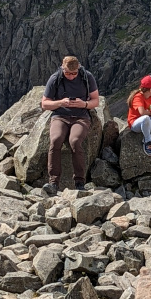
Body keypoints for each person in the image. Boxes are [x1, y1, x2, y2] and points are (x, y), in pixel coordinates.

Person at [41, 56, 99, 195]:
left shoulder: (87, 77)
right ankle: (53, 182)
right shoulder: (55, 78)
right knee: (55, 140)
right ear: (62, 67)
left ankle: (79, 182)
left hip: (81, 117)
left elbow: (95, 100)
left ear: (78, 68)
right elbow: (44, 103)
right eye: (68, 73)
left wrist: (84, 104)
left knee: (75, 141)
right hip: (60, 116)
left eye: (74, 73)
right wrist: (60, 102)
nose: (71, 76)